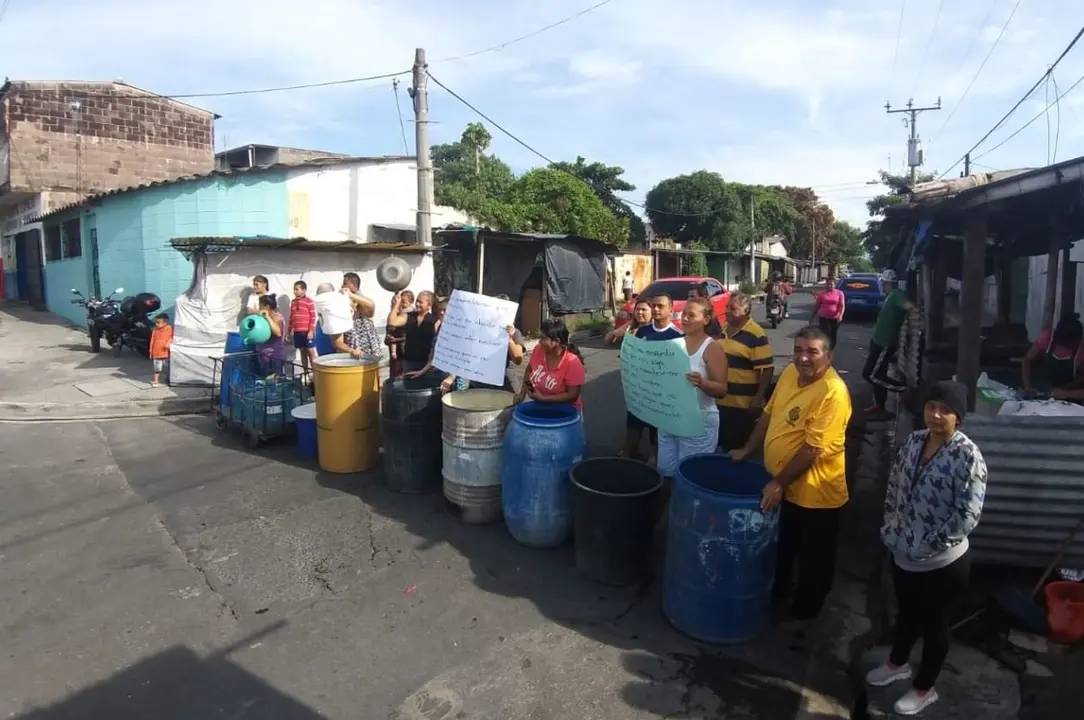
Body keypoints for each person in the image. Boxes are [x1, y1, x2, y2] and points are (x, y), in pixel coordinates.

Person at [866, 380, 987, 716]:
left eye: (945, 410)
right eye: (931, 407)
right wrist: (892, 527)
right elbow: (895, 485)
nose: (935, 415)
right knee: (906, 614)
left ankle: (924, 688)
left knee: (936, 626)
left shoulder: (967, 457)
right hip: (904, 551)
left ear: (958, 417)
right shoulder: (914, 442)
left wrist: (931, 544)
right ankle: (897, 664)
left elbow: (968, 514)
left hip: (943, 563)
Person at [731, 326, 852, 633]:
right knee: (784, 546)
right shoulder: (788, 374)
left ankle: (806, 616)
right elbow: (769, 415)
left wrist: (778, 483)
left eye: (812, 352)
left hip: (816, 493)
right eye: (799, 350)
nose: (803, 358)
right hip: (784, 484)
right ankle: (779, 594)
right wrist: (748, 449)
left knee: (814, 559)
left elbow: (812, 450)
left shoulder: (832, 392)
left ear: (828, 355)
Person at [656, 298, 729, 477]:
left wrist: (702, 383)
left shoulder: (712, 348)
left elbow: (722, 390)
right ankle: (666, 504)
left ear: (706, 319)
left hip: (699, 421)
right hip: (670, 417)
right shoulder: (675, 344)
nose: (685, 319)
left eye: (691, 315)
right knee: (665, 472)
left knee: (690, 476)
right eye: (684, 314)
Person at [610, 294, 683, 461]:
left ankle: (655, 459)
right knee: (633, 428)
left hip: (661, 396)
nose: (656, 309)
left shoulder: (678, 336)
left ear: (670, 309)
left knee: (657, 434)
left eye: (661, 306)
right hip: (640, 393)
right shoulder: (642, 331)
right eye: (654, 306)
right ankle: (628, 457)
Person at [716, 292, 775, 451]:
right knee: (720, 445)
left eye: (733, 308)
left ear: (746, 310)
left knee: (735, 448)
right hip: (719, 402)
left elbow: (767, 368)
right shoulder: (723, 329)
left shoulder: (756, 334)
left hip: (742, 406)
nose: (727, 311)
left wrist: (758, 398)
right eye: (727, 307)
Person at [863, 270, 915, 416]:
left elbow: (908, 306)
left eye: (884, 283)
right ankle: (880, 405)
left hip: (885, 343)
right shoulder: (890, 296)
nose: (883, 286)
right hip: (878, 340)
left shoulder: (897, 295)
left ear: (887, 283)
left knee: (870, 375)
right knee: (879, 372)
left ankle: (902, 388)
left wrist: (911, 310)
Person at [515, 318, 586, 411]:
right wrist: (522, 394)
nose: (539, 341)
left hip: (566, 414)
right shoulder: (538, 350)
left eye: (543, 338)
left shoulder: (572, 362)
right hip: (541, 408)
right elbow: (529, 369)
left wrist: (543, 399)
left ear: (556, 341)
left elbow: (572, 396)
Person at [1021, 312, 1084, 400]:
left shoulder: (1081, 348)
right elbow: (1027, 360)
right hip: (1044, 391)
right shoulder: (1048, 337)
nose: (1066, 347)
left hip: (1071, 398)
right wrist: (1028, 387)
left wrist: (1066, 393)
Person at [387, 289, 438, 374]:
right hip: (409, 361)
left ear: (429, 306)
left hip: (426, 363)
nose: (417, 304)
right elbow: (392, 322)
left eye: (421, 302)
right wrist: (396, 304)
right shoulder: (409, 316)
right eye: (417, 301)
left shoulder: (434, 320)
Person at [332, 273, 380, 360]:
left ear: (352, 285)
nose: (342, 287)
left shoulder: (364, 309)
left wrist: (350, 295)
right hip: (352, 359)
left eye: (344, 283)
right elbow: (338, 343)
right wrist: (352, 351)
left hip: (373, 356)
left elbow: (371, 305)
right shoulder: (340, 314)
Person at [289, 280, 317, 378]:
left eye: (297, 289)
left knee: (311, 351)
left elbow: (313, 317)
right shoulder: (293, 302)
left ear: (304, 290)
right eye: (294, 289)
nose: (295, 291)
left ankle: (315, 372)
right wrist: (289, 330)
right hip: (297, 331)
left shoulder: (309, 301)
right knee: (302, 352)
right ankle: (306, 373)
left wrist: (311, 330)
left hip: (307, 332)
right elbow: (291, 317)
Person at [253, 294, 288, 374]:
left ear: (267, 307)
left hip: (274, 356)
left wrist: (267, 317)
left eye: (261, 306)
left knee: (272, 381)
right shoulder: (264, 318)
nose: (259, 309)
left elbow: (278, 332)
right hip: (264, 355)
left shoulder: (276, 317)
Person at [384, 290, 415, 378]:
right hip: (396, 356)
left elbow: (414, 336)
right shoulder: (395, 316)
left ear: (411, 302)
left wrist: (397, 340)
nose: (400, 305)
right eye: (399, 302)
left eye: (403, 302)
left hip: (406, 354)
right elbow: (388, 335)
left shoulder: (412, 315)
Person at [815, 277, 845, 348]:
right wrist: (813, 315)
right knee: (825, 333)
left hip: (835, 318)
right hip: (824, 317)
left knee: (833, 334)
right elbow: (817, 305)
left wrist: (840, 315)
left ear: (835, 285)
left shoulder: (839, 293)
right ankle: (825, 348)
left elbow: (842, 305)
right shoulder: (822, 294)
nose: (829, 286)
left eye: (831, 284)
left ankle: (831, 349)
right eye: (828, 284)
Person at [149, 312, 173, 387]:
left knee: (167, 368)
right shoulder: (155, 330)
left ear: (165, 322)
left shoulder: (169, 328)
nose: (157, 324)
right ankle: (156, 381)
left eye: (158, 322)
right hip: (156, 353)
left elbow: (171, 337)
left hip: (166, 352)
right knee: (156, 368)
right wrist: (150, 352)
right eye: (156, 322)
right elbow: (152, 340)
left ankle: (169, 379)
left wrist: (168, 343)